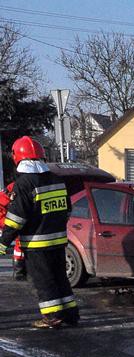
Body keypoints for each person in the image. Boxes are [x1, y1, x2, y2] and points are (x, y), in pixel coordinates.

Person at [0, 136, 77, 328]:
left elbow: (16, 218)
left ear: (18, 158)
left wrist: (3, 242)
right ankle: (70, 314)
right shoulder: (56, 179)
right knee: (60, 278)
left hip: (36, 244)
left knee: (44, 281)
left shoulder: (24, 184)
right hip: (58, 241)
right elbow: (67, 209)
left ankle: (52, 317)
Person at [0, 181, 26, 280]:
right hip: (3, 213)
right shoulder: (20, 185)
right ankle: (19, 271)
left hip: (5, 211)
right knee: (19, 235)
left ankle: (20, 270)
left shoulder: (22, 183)